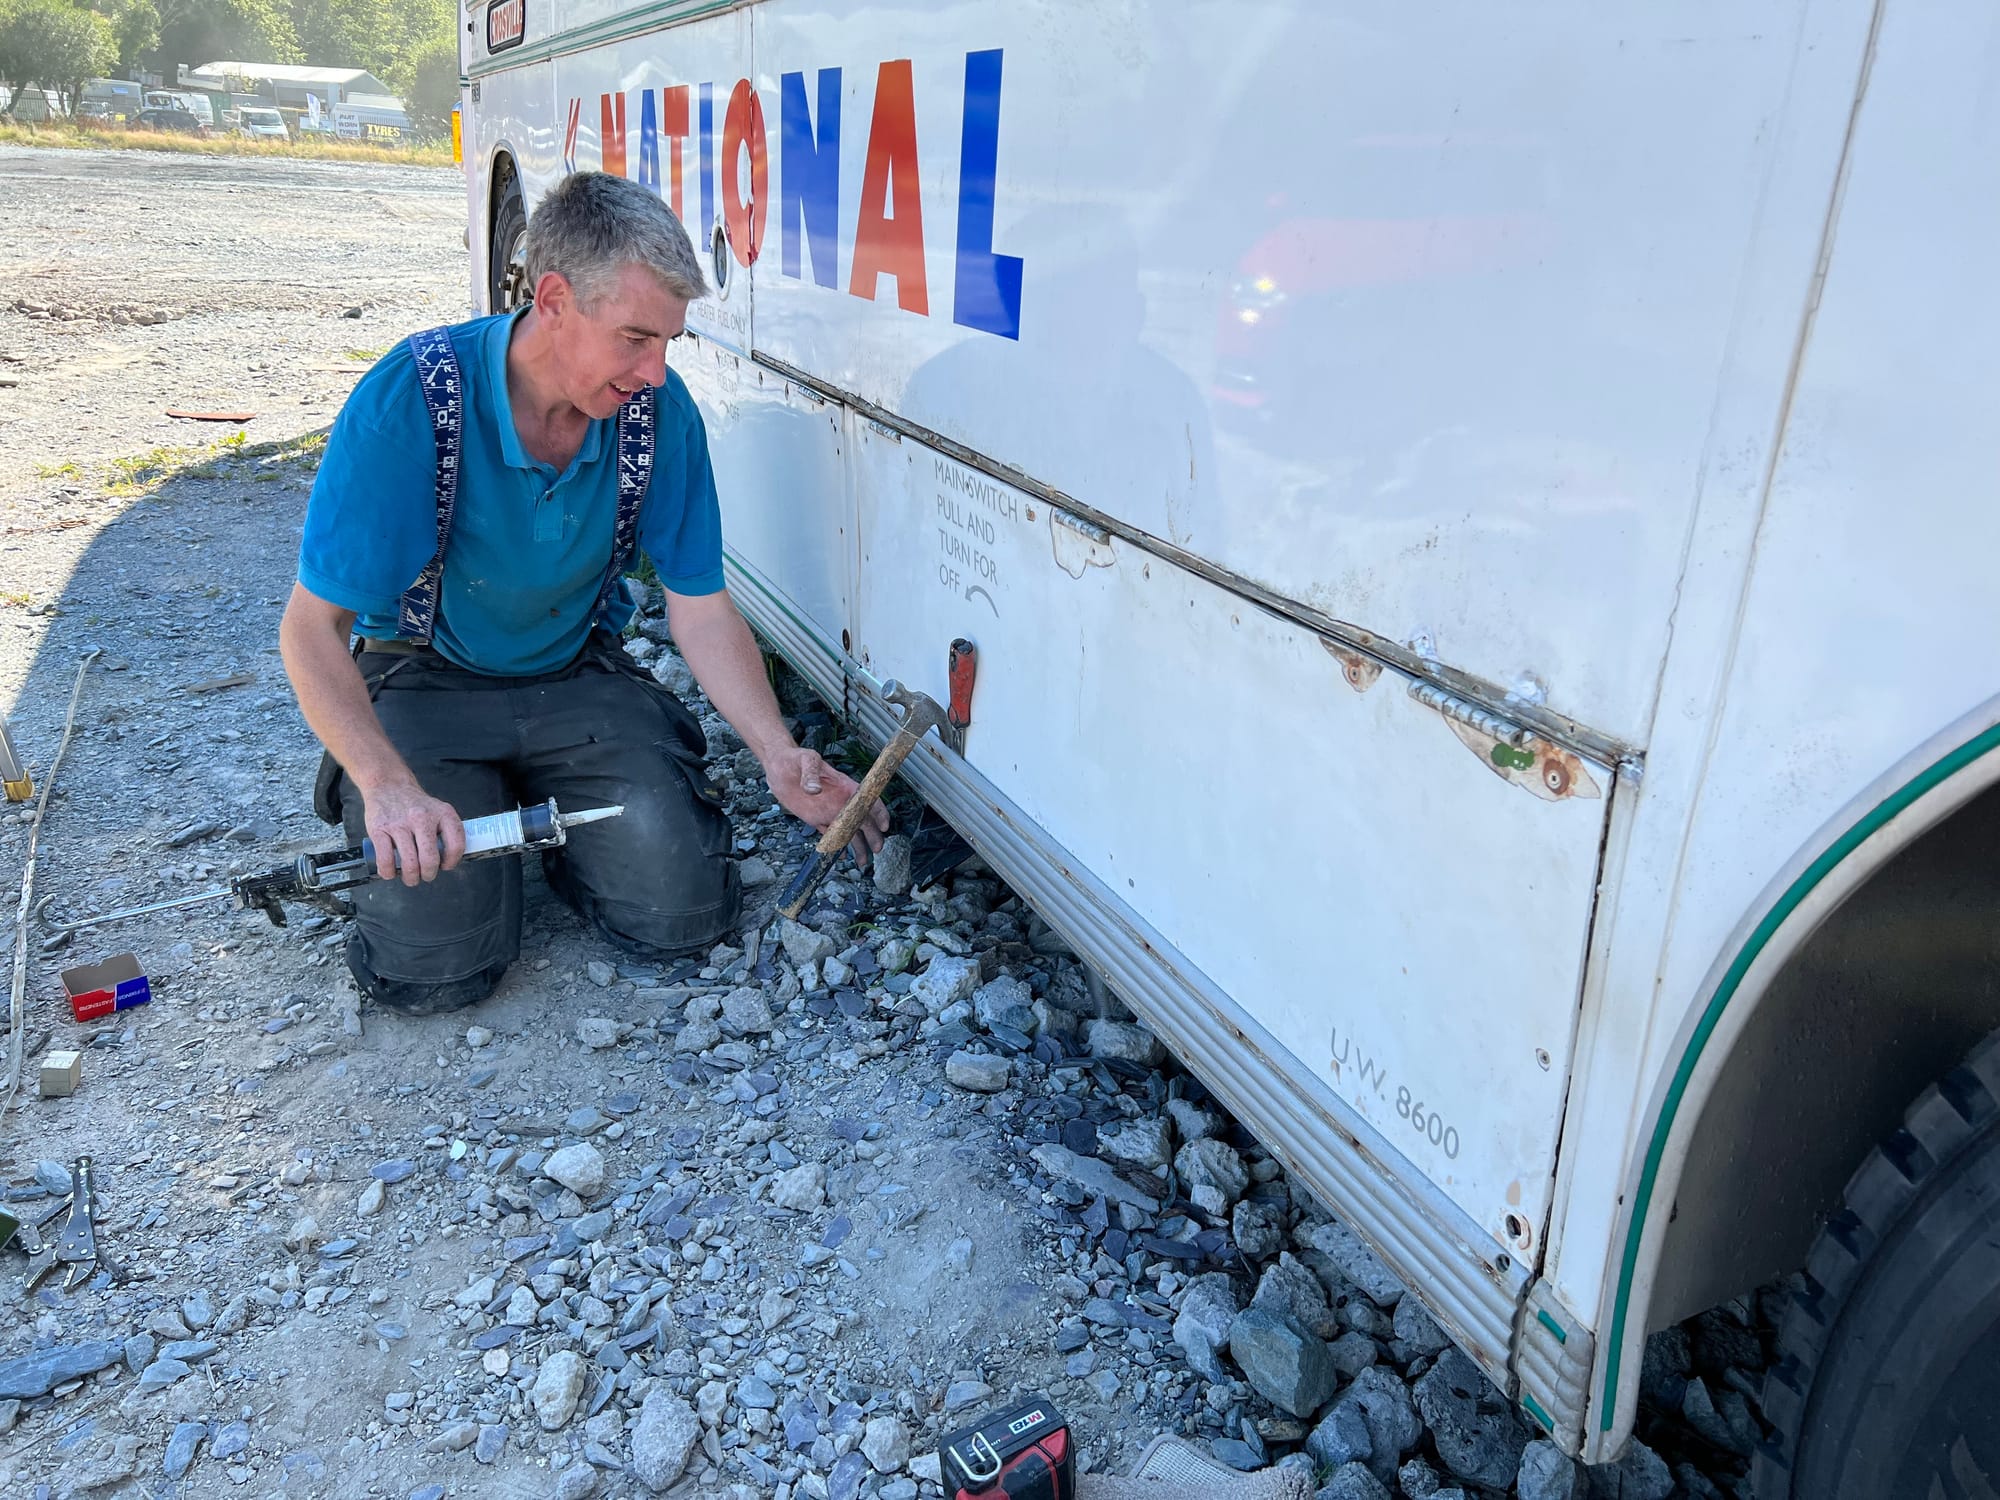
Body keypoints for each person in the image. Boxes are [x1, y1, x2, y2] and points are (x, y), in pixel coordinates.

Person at [279, 171, 887, 1015]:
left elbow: (701, 606)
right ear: (554, 298)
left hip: (575, 673)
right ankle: (475, 814)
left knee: (682, 912)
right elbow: (311, 631)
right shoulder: (410, 400)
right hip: (424, 677)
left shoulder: (659, 417)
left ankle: (537, 817)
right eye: (636, 339)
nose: (656, 372)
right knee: (434, 967)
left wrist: (778, 751)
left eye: (669, 342)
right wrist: (385, 784)